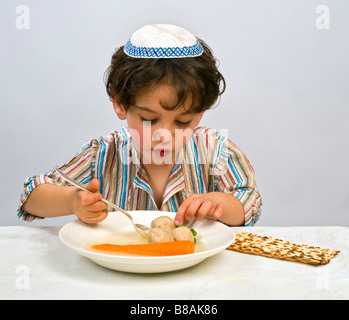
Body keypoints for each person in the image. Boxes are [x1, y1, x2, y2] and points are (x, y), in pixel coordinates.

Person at [18, 24, 262, 226]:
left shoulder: (216, 150)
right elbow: (31, 196)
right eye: (149, 120)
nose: (165, 136)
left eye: (183, 121)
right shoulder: (102, 155)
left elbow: (249, 202)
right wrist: (72, 201)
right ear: (119, 103)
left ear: (199, 115)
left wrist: (219, 203)